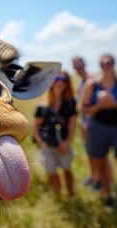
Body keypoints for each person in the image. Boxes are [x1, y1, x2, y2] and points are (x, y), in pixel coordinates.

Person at [79, 53, 117, 208]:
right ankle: (108, 195)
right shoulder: (92, 84)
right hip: (98, 129)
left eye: (109, 62)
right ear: (100, 65)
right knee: (102, 166)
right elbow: (81, 108)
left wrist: (116, 104)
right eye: (103, 63)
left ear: (113, 63)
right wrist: (99, 106)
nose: (106, 65)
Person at [33, 70, 77, 199]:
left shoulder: (70, 103)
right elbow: (36, 127)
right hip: (47, 145)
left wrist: (67, 143)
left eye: (64, 80)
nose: (60, 83)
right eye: (57, 79)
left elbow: (72, 125)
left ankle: (70, 195)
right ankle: (57, 196)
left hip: (64, 143)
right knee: (52, 171)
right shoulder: (42, 105)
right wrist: (42, 143)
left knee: (67, 169)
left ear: (67, 84)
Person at [72, 56, 102, 189]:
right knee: (90, 152)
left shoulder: (91, 79)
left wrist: (87, 123)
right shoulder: (83, 80)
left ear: (85, 65)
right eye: (75, 68)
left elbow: (93, 103)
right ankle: (93, 176)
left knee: (98, 154)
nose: (78, 70)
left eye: (79, 67)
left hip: (92, 121)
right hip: (86, 120)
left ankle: (100, 181)